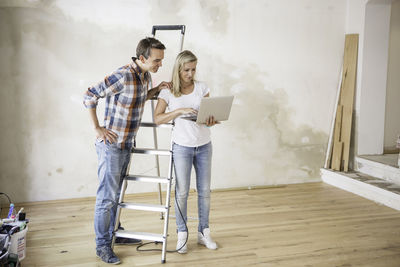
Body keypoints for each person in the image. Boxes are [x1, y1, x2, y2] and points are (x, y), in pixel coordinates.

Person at [83, 37, 171, 264]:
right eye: (156, 60)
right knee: (106, 198)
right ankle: (102, 246)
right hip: (111, 146)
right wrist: (97, 128)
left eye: (161, 60)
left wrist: (156, 90)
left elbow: (139, 98)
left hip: (126, 144)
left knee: (117, 194)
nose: (160, 64)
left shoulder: (145, 75)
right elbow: (89, 95)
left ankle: (116, 232)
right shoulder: (122, 75)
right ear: (142, 58)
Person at [154, 50, 218, 254]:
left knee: (204, 192)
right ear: (178, 69)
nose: (191, 74)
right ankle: (182, 234)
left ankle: (203, 233)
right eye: (187, 70)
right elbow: (158, 118)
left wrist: (210, 121)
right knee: (181, 192)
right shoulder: (168, 91)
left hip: (204, 145)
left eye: (193, 69)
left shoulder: (202, 88)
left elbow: (210, 120)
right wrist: (179, 111)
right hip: (181, 147)